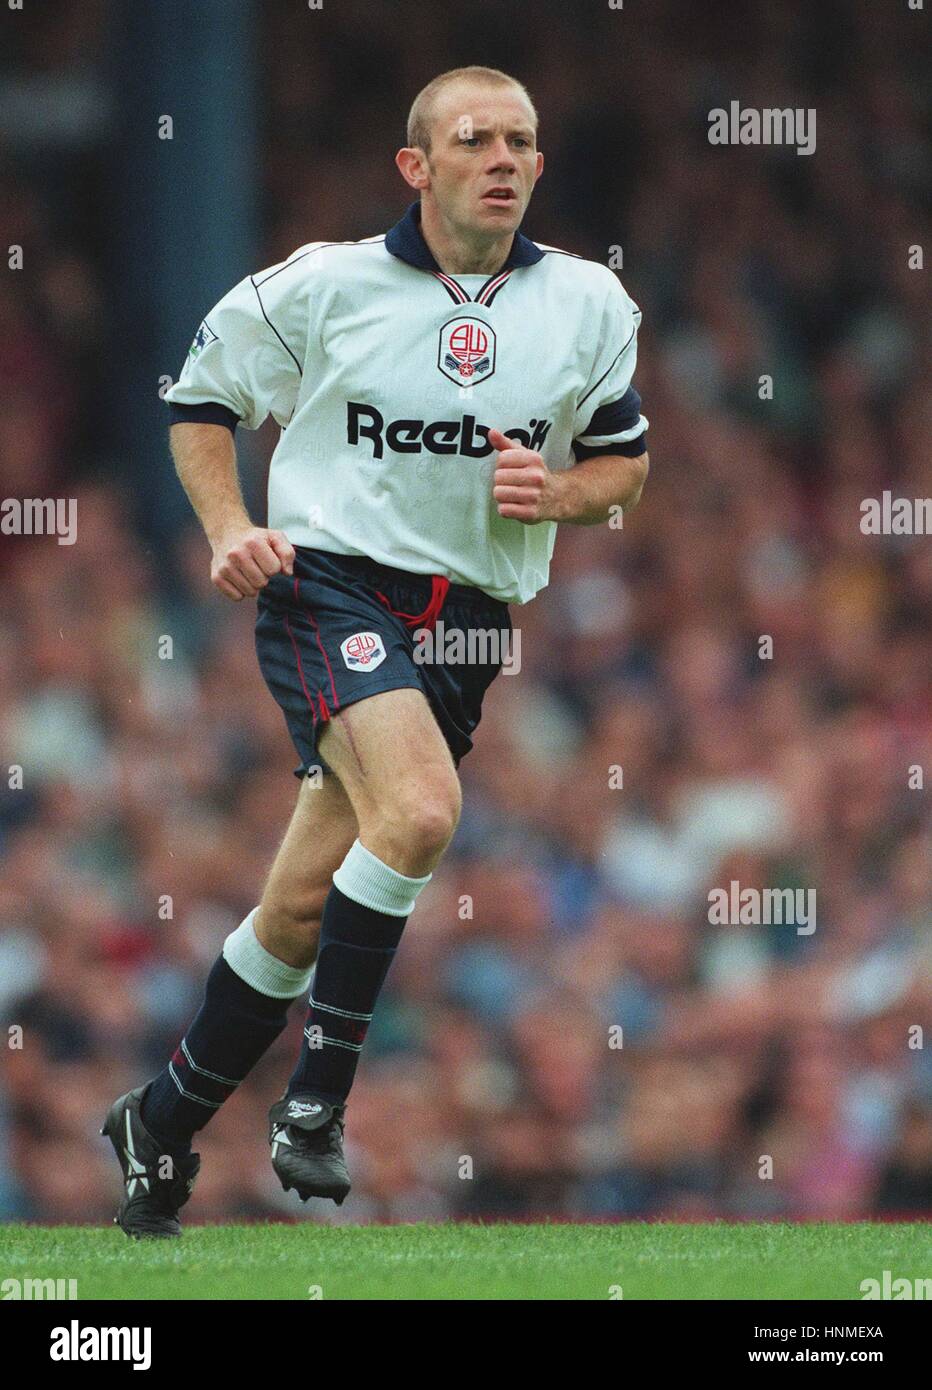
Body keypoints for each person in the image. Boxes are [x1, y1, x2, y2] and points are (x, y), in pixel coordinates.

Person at [102, 65, 649, 1237]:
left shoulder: (589, 303)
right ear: (418, 165)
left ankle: (159, 1121)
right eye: (475, 140)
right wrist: (228, 528)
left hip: (467, 623)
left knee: (301, 906)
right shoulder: (323, 285)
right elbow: (199, 402)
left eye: (521, 142)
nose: (503, 159)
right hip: (329, 585)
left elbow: (627, 466)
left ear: (540, 165)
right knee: (417, 812)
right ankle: (317, 1101)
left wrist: (557, 492)